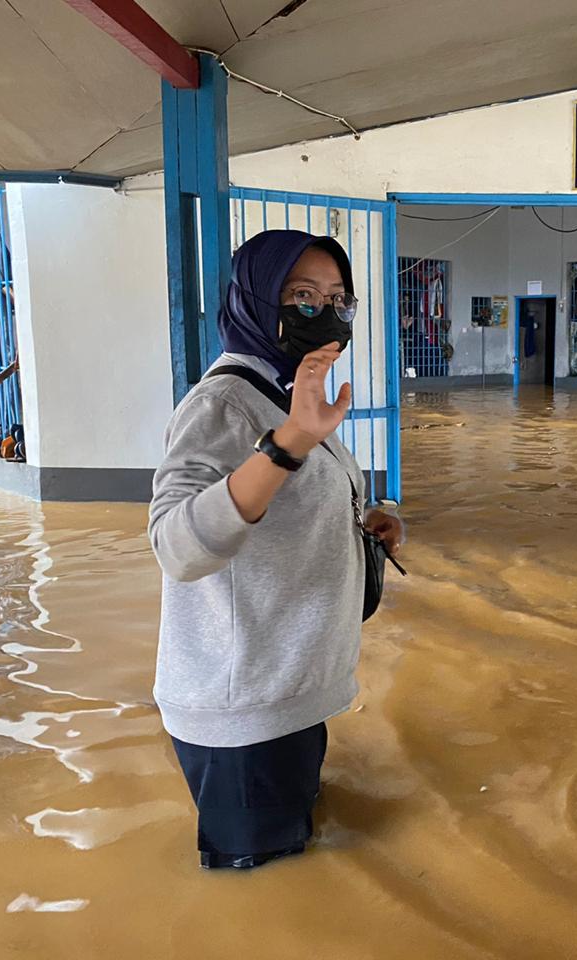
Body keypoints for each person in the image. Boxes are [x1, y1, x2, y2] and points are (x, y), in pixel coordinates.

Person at [148, 229, 404, 870]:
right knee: (260, 891)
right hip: (243, 711)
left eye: (339, 298)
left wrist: (363, 520)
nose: (326, 313)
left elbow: (294, 504)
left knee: (304, 859)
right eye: (302, 295)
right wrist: (286, 443)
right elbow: (177, 547)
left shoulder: (290, 389)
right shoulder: (222, 404)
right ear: (258, 300)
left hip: (291, 686)